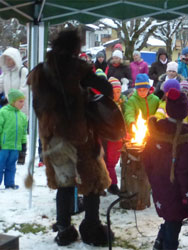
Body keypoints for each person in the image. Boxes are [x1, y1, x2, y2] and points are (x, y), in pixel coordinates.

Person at [27, 29, 115, 246]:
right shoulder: (79, 68)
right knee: (93, 181)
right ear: (76, 48)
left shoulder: (40, 72)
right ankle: (92, 228)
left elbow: (36, 105)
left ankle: (64, 228)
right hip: (81, 135)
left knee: (65, 183)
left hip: (54, 136)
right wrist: (86, 97)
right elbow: (107, 90)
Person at [143, 88, 188, 250]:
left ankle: (159, 243)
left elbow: (146, 158)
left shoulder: (156, 130)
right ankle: (167, 246)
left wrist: (153, 178)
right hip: (177, 190)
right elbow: (184, 170)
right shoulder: (186, 137)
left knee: (169, 218)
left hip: (159, 185)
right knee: (174, 222)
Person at [103, 77, 126, 195]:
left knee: (113, 161)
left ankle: (109, 183)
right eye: (113, 92)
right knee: (109, 162)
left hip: (118, 137)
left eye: (118, 92)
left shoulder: (122, 103)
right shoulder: (106, 104)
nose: (116, 94)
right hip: (109, 137)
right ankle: (112, 184)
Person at [0, 89, 27, 189]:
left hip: (15, 147)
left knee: (11, 166)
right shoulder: (3, 112)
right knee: (0, 164)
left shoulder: (22, 116)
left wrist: (23, 145)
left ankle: (10, 183)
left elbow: (24, 133)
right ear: (12, 101)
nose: (22, 104)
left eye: (23, 101)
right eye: (20, 101)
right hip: (3, 146)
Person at [0, 47, 29, 117]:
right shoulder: (6, 73)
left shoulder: (23, 71)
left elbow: (23, 90)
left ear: (15, 59)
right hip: (9, 109)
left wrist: (10, 102)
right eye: (5, 59)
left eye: (9, 59)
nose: (7, 61)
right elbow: (0, 85)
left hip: (20, 110)